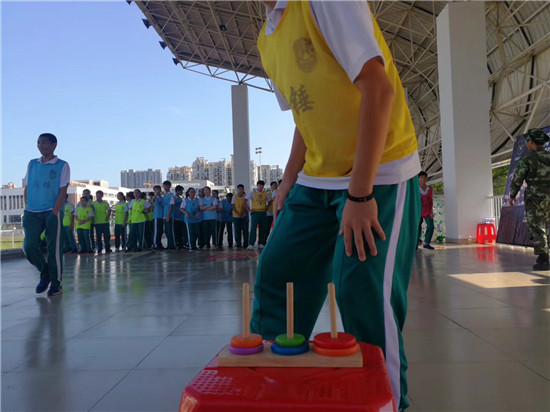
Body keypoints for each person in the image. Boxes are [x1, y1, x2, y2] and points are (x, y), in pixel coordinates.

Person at [250, 3, 421, 410]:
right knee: (279, 274)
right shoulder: (266, 38)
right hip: (316, 178)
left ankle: (389, 403)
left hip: (379, 171)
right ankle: (274, 390)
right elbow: (307, 114)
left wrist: (359, 196)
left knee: (360, 291)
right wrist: (289, 180)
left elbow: (378, 89)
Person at [22, 133, 70, 296]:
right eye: (38, 143)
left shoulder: (62, 165)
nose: (41, 146)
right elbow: (27, 187)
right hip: (31, 212)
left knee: (54, 248)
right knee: (29, 247)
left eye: (44, 143)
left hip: (51, 211)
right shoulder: (32, 164)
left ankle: (56, 283)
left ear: (54, 145)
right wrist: (27, 206)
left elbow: (63, 190)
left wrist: (55, 211)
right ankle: (45, 272)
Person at [509, 128, 550, 270]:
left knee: (538, 227)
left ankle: (544, 258)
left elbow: (518, 179)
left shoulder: (527, 159)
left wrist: (512, 195)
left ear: (531, 142)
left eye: (527, 141)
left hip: (535, 197)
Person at [247, 180, 271, 249]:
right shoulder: (252, 193)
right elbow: (244, 200)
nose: (261, 187)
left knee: (262, 228)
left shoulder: (266, 193)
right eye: (260, 185)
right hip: (255, 212)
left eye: (262, 186)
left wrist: (267, 208)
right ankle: (251, 243)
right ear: (257, 186)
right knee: (253, 228)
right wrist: (249, 209)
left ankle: (260, 243)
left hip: (263, 212)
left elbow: (269, 201)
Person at [418, 171, 435, 250]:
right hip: (418, 211)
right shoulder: (416, 189)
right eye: (421, 177)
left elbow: (431, 201)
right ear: (418, 179)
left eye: (425, 177)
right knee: (417, 227)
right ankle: (416, 243)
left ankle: (426, 243)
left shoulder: (430, 190)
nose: (423, 179)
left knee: (431, 226)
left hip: (427, 211)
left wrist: (431, 211)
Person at [232, 184, 250, 249]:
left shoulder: (246, 197)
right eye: (239, 189)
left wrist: (242, 213)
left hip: (244, 216)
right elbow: (233, 206)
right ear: (237, 190)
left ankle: (245, 244)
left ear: (243, 190)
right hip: (236, 216)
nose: (240, 190)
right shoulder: (234, 197)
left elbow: (247, 206)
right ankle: (238, 244)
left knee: (245, 230)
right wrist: (238, 214)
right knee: (237, 230)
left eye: (242, 189)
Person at [171, 185, 187, 249]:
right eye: (181, 191)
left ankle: (181, 244)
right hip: (176, 217)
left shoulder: (180, 199)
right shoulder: (173, 198)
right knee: (176, 232)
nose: (182, 192)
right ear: (177, 191)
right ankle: (176, 244)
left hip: (181, 218)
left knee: (181, 232)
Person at [162, 180, 176, 250]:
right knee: (167, 231)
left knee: (171, 231)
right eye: (164, 186)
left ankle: (172, 245)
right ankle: (169, 245)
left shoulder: (171, 195)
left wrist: (168, 216)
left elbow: (171, 206)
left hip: (170, 216)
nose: (165, 187)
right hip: (165, 215)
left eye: (166, 186)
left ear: (169, 186)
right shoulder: (164, 195)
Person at [152, 185, 165, 250]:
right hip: (156, 216)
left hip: (161, 216)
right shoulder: (155, 197)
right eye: (155, 189)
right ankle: (155, 244)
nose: (157, 191)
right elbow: (153, 201)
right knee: (156, 231)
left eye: (158, 189)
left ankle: (159, 244)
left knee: (160, 231)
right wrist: (155, 194)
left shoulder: (162, 198)